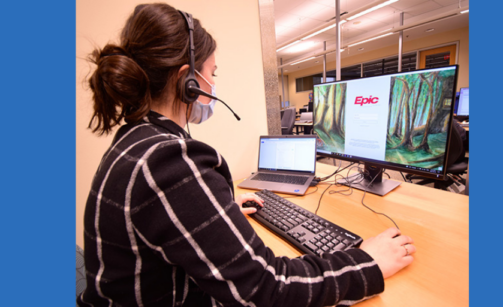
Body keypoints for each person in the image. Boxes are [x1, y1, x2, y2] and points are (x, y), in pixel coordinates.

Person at [77, 3, 415, 307]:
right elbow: (269, 289)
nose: (213, 84)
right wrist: (366, 262)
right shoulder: (167, 161)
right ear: (187, 82)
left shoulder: (136, 141)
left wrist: (215, 217)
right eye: (212, 73)